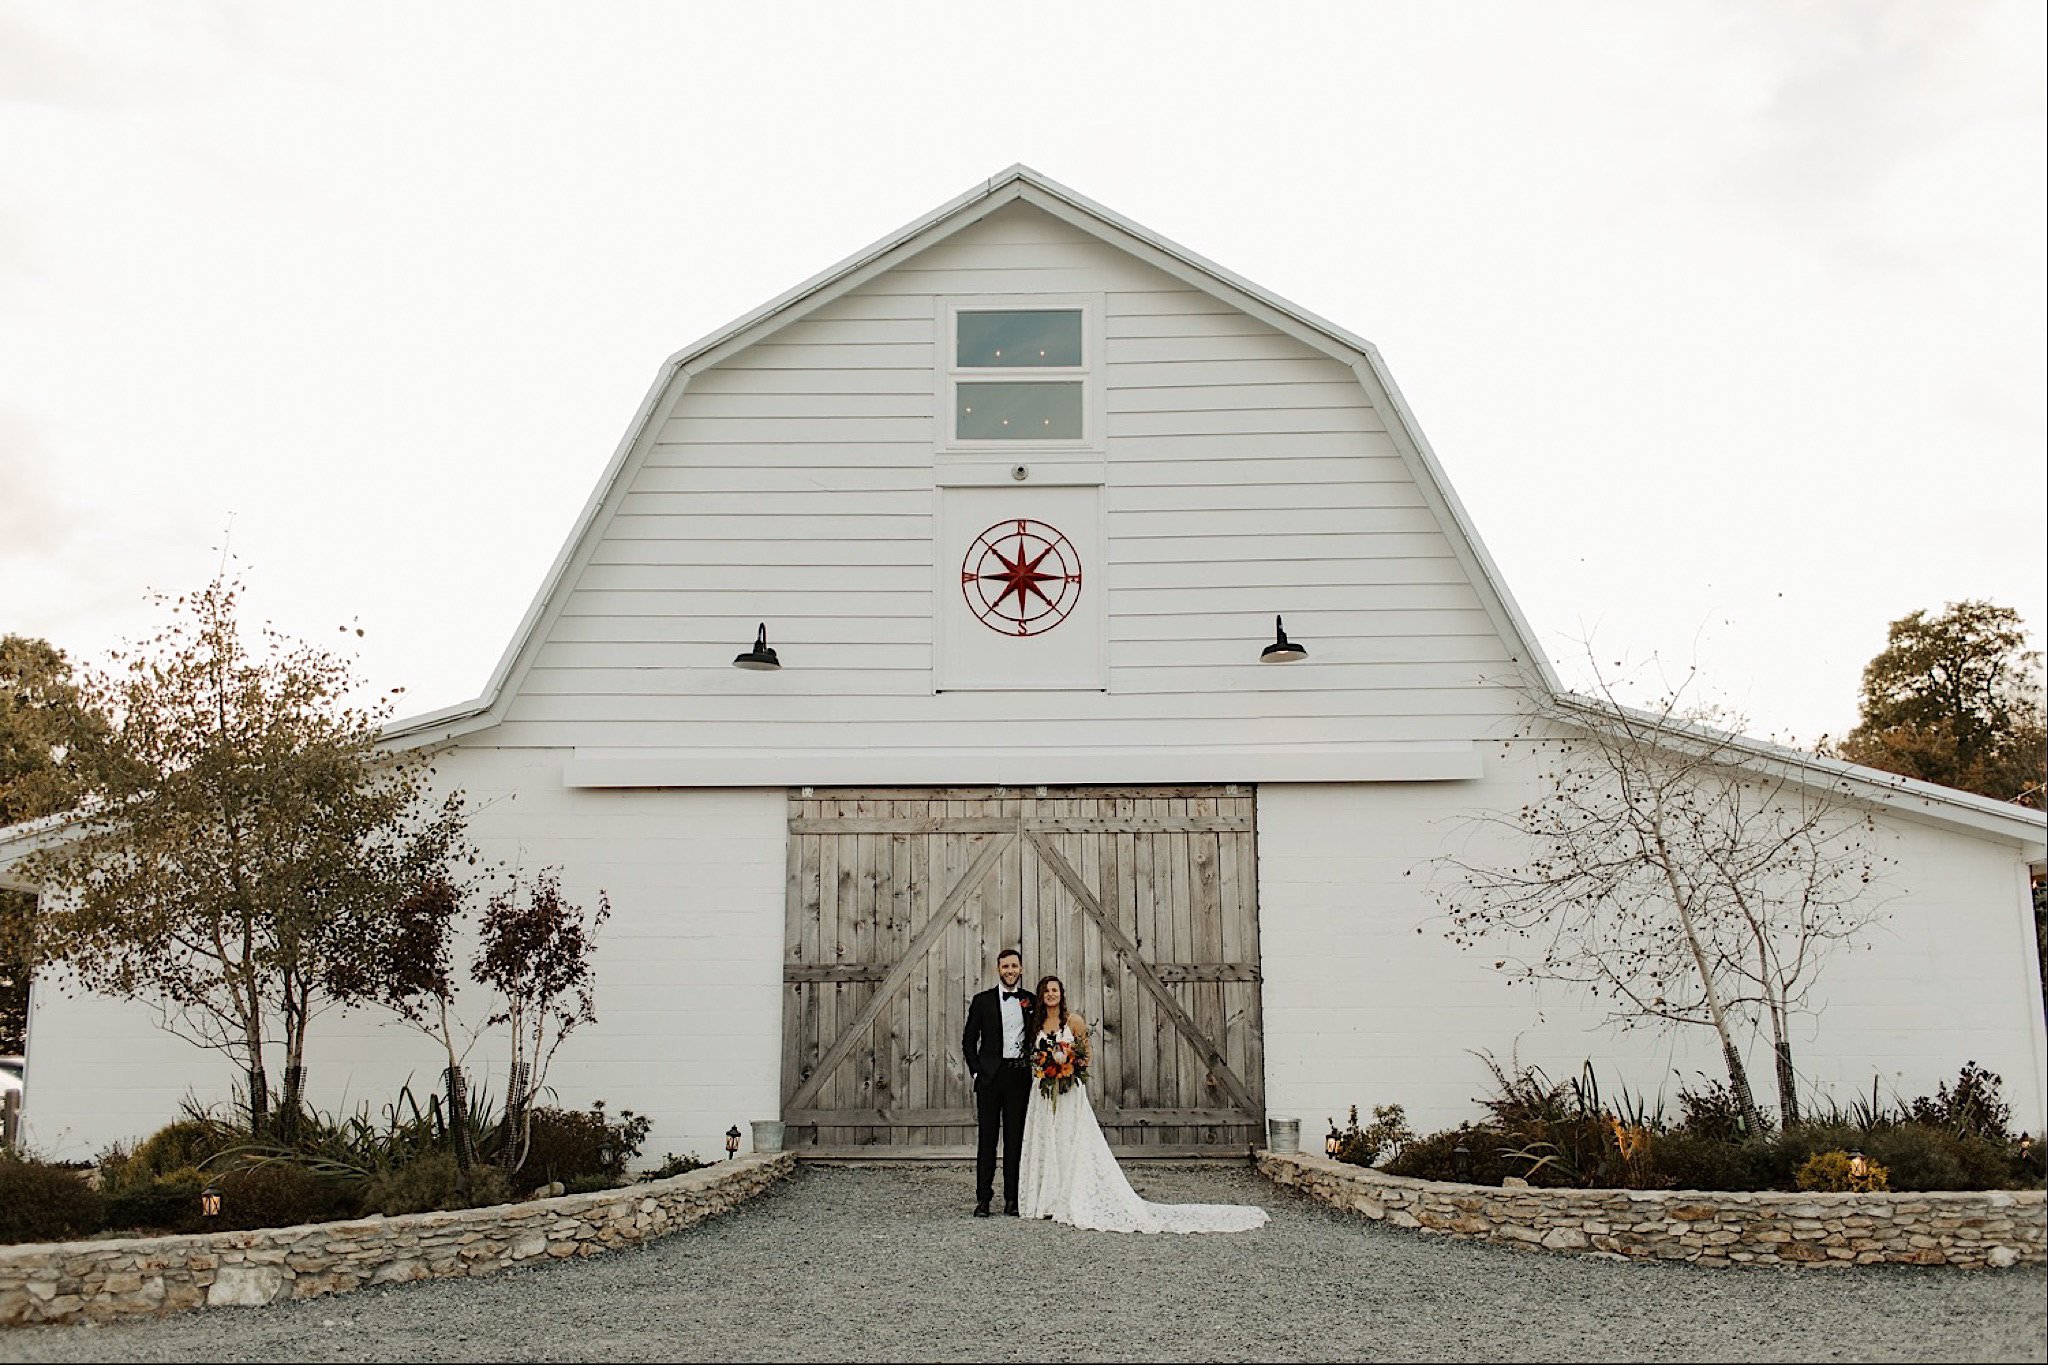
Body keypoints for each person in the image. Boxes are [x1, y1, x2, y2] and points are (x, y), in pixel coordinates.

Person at [1016, 974, 1268, 1234]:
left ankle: (1070, 1194)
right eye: (1046, 990)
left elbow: (1085, 1055)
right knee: (1048, 1138)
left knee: (1070, 1137)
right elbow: (1034, 1056)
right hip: (1044, 1091)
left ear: (1061, 993)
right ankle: (1047, 1197)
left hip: (1069, 1090)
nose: (1050, 994)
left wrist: (1069, 1071)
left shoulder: (1074, 1021)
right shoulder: (1037, 1024)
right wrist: (1045, 1070)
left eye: (1054, 990)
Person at [960, 948, 1034, 1217]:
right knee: (987, 1140)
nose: (1010, 971)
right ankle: (983, 1199)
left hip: (1019, 1077)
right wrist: (977, 1072)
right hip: (990, 1078)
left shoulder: (1030, 1001)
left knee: (1015, 1140)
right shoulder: (982, 1001)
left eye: (1014, 966)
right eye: (1005, 967)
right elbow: (969, 1040)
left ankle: (1012, 1200)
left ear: (1021, 969)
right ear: (998, 969)